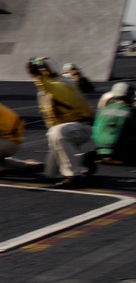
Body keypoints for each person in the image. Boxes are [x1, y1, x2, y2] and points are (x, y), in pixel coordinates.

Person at [27, 56, 97, 188]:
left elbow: (51, 87)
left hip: (81, 126)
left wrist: (39, 75)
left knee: (57, 132)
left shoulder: (61, 84)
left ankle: (74, 176)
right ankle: (84, 159)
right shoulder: (49, 87)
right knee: (50, 174)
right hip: (68, 130)